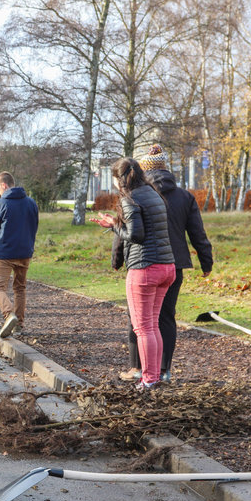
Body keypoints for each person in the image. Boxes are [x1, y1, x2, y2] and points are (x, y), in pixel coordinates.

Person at [116, 145, 214, 383]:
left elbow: (125, 230)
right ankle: (164, 370)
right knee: (165, 318)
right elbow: (197, 233)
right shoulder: (184, 196)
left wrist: (117, 259)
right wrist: (206, 261)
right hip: (173, 264)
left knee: (138, 320)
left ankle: (138, 368)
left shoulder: (136, 193)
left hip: (143, 263)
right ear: (166, 167)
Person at [92, 157, 175, 389]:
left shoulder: (130, 199)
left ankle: (148, 380)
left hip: (145, 268)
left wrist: (113, 225)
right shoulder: (152, 193)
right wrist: (117, 222)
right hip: (166, 266)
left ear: (120, 179)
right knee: (153, 325)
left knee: (143, 327)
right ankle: (155, 377)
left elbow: (136, 235)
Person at [0, 171, 39, 338]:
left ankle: (9, 314)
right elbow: (34, 226)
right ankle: (19, 325)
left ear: (4, 185)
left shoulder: (1, 203)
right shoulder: (32, 203)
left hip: (5, 253)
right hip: (25, 252)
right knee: (20, 288)